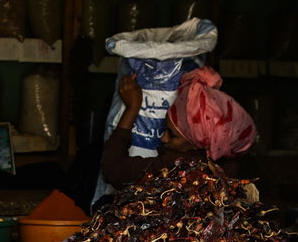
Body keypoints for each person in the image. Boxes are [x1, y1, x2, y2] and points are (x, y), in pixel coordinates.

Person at [100, 66, 256, 189]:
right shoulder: (234, 166)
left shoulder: (177, 168)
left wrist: (132, 107)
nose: (163, 137)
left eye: (172, 135)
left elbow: (113, 169)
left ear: (196, 146)